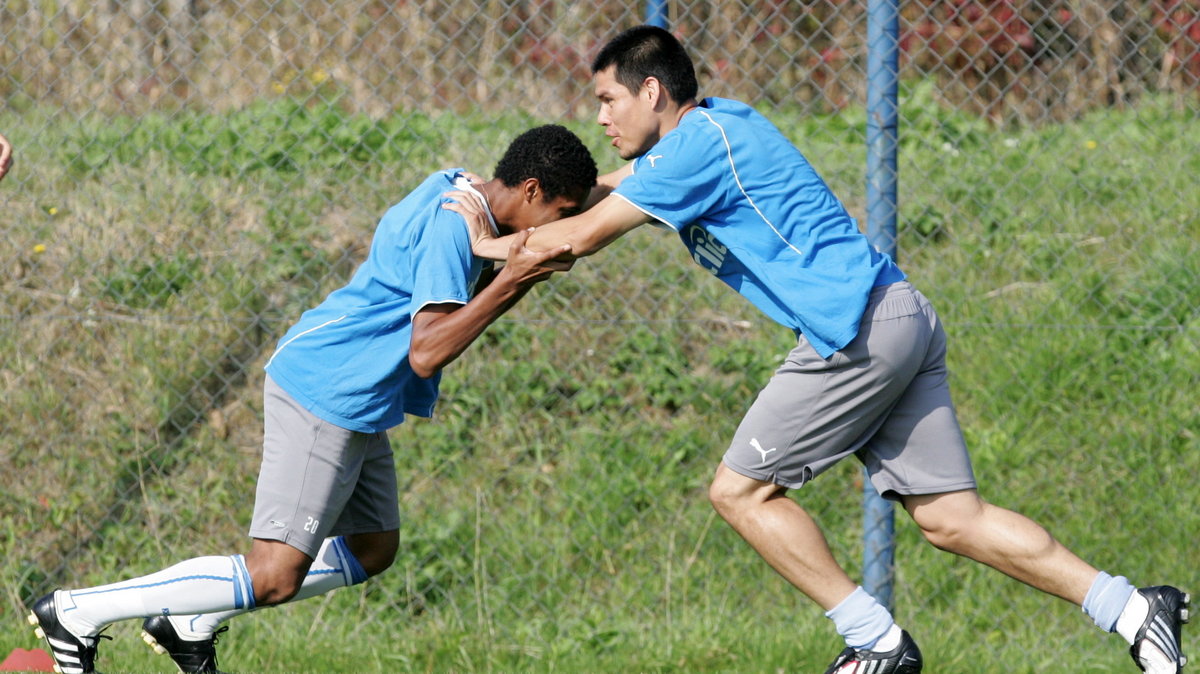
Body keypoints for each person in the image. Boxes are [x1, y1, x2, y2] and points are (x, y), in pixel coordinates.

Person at [453, 26, 1190, 674]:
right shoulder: (715, 129)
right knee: (951, 520)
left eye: (609, 100)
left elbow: (578, 236)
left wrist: (481, 238)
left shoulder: (695, 150)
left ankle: (874, 641)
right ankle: (1133, 611)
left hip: (854, 334)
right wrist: (509, 196)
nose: (602, 118)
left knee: (738, 491)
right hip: (897, 315)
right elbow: (600, 192)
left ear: (651, 91)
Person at [28, 124, 598, 674]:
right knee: (274, 574)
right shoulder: (454, 231)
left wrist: (503, 250)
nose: (562, 229)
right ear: (531, 191)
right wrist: (511, 278)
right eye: (562, 213)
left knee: (373, 547)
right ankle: (79, 611)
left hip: (358, 395)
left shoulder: (462, 190)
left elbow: (558, 218)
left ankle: (189, 625)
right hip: (329, 390)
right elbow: (427, 351)